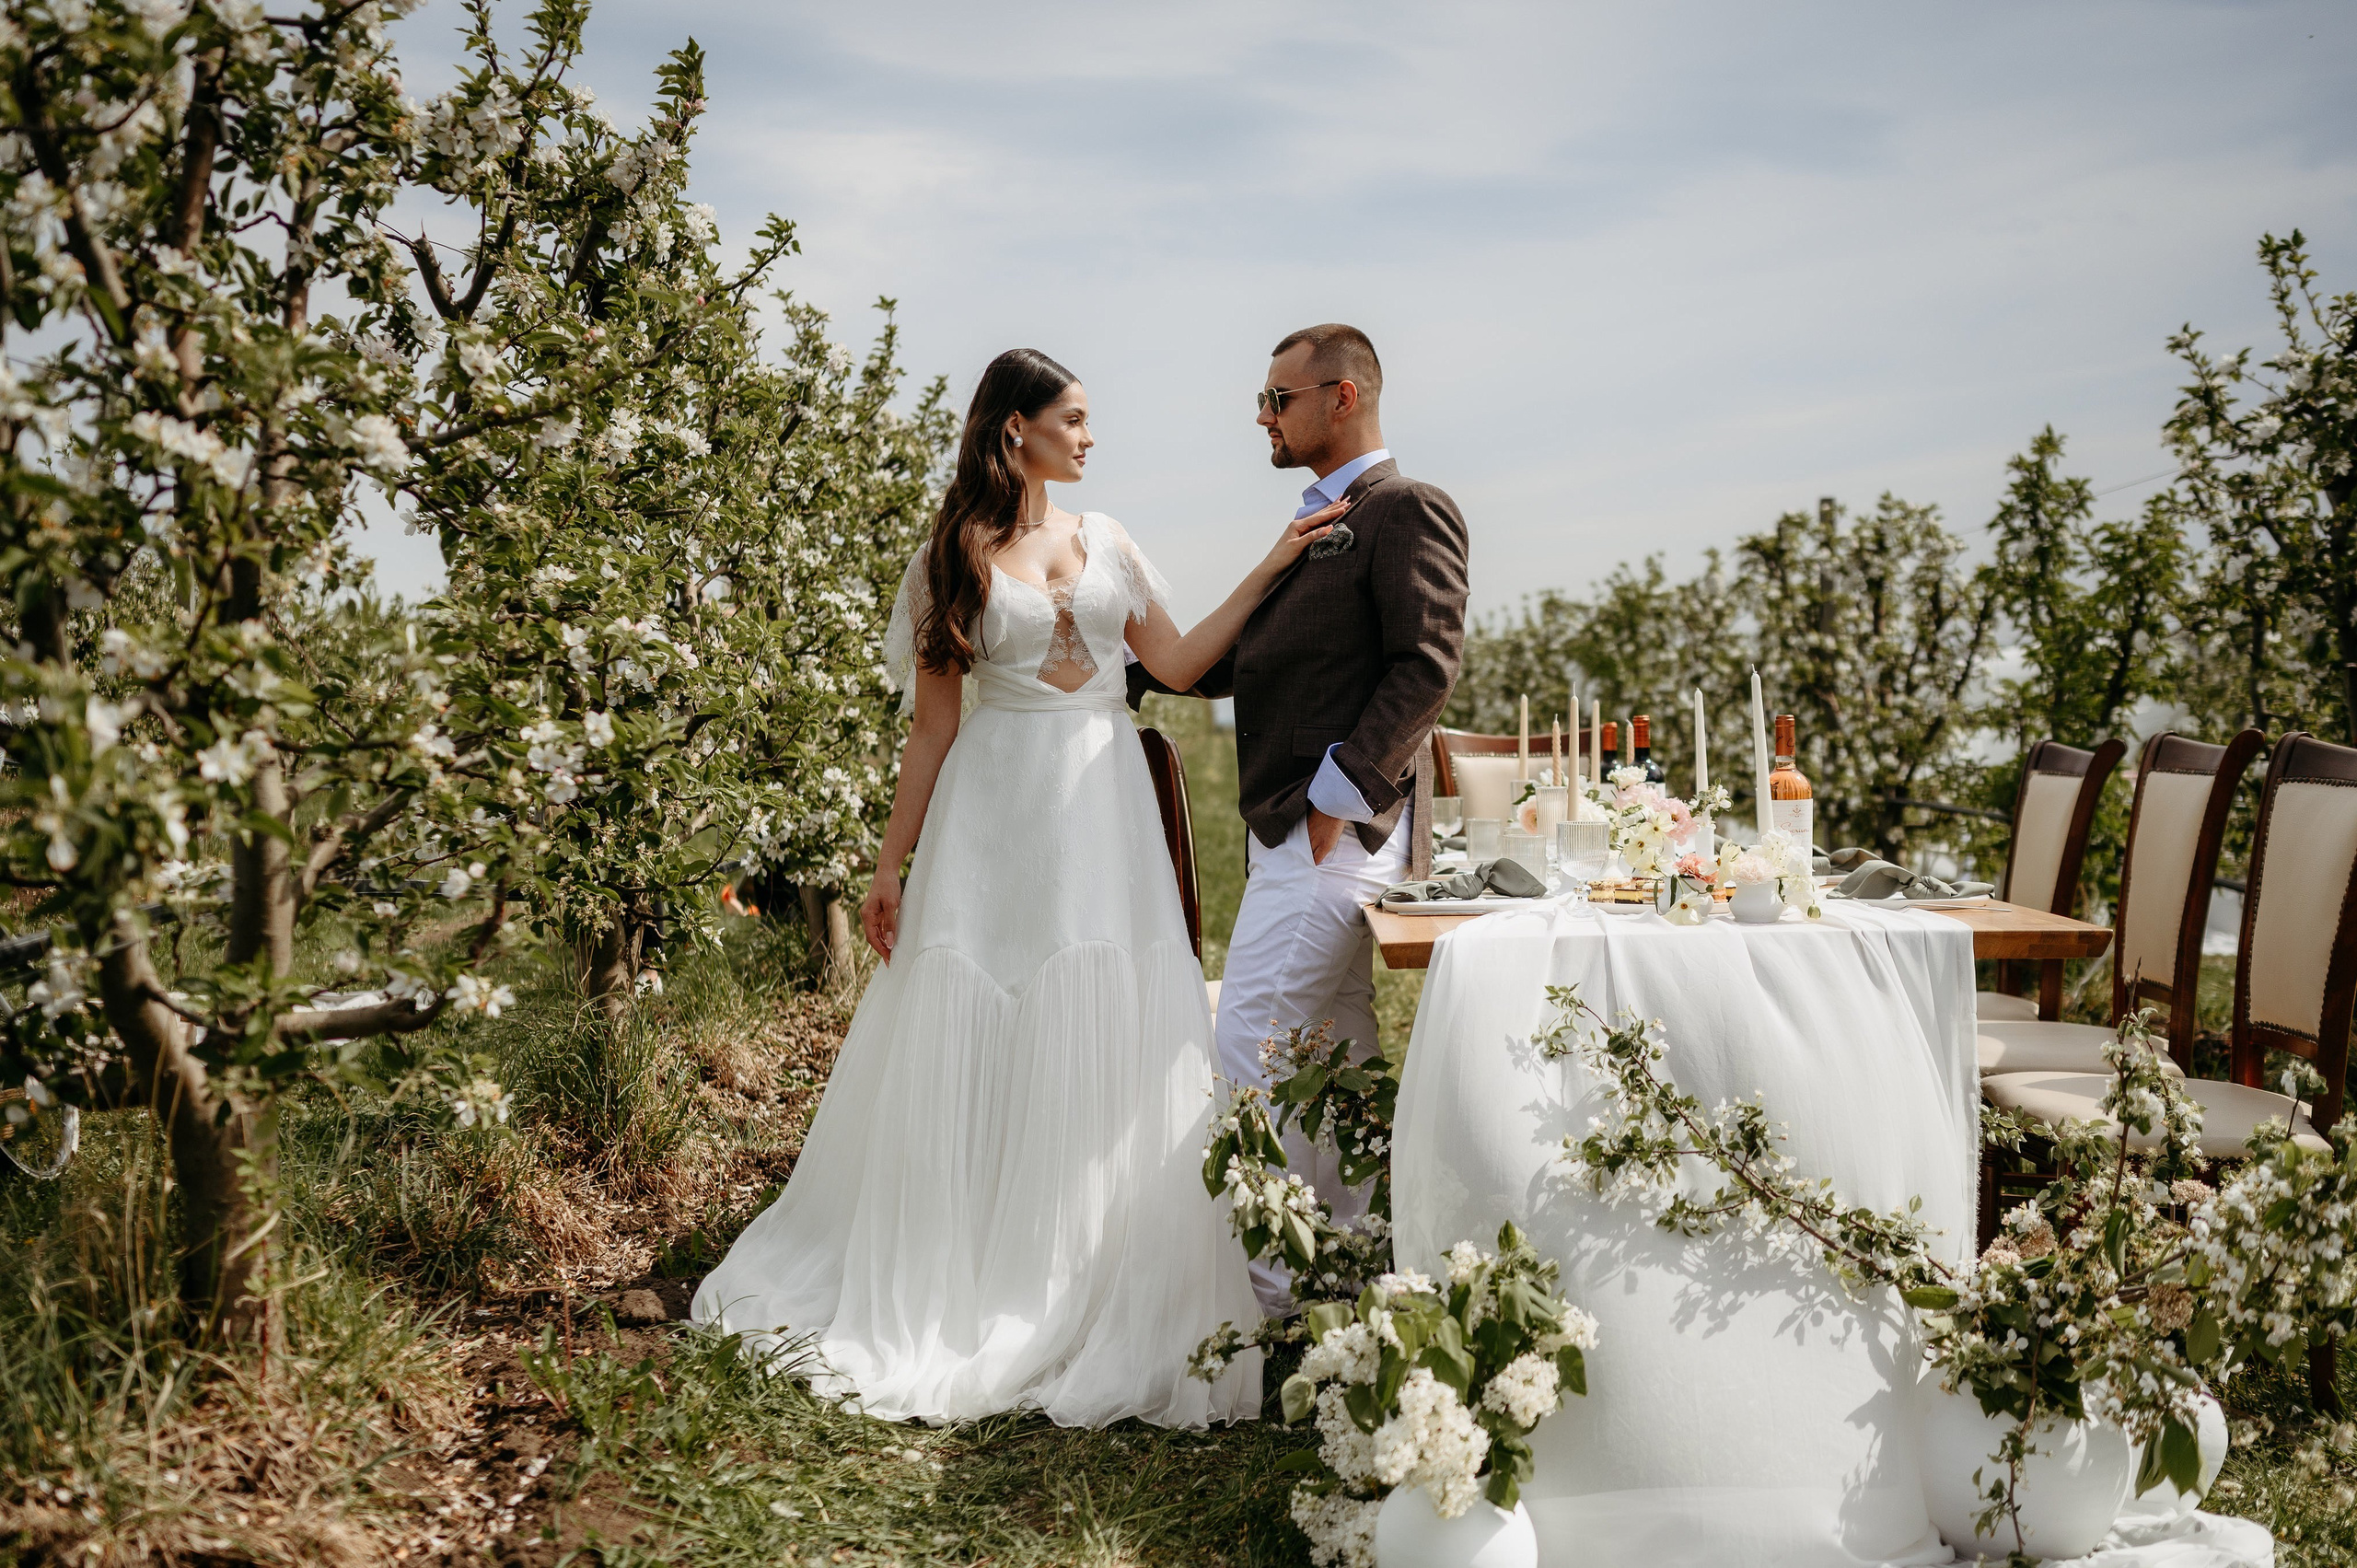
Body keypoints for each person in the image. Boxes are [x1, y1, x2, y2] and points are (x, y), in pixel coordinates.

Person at [690, 348, 1349, 1427]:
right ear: (1015, 430)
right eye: (1074, 419)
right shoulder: (951, 555)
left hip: (1102, 811)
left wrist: (1278, 559)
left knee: (1107, 1011)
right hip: (992, 815)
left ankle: (1093, 1272)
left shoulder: (1112, 541)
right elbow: (933, 725)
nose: (1091, 437)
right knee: (983, 1007)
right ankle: (977, 1263)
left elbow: (1177, 666)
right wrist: (890, 860)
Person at [1130, 324, 1469, 1316]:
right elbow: (1253, 659)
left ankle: (1265, 1300)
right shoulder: (1319, 522)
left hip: (1332, 838)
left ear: (1344, 395)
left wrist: (1340, 794)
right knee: (1334, 1060)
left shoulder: (1406, 508)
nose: (1262, 417)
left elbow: (1427, 663)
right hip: (1299, 838)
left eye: (1278, 398)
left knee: (1249, 1047)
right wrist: (1104, 664)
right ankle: (1345, 1277)